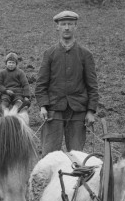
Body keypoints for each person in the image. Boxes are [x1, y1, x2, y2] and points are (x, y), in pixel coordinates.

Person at [34, 10, 99, 154]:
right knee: (49, 155)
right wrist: (43, 106)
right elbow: (41, 84)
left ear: (76, 27)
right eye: (63, 24)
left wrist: (90, 111)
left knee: (77, 156)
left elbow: (92, 86)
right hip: (53, 110)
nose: (67, 27)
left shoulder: (85, 54)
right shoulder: (49, 53)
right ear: (58, 27)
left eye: (70, 24)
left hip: (78, 111)